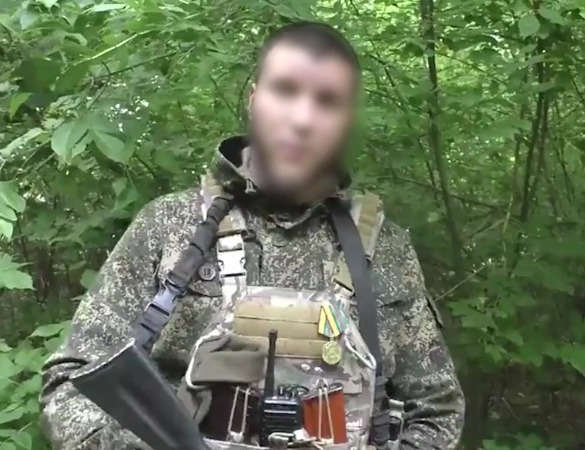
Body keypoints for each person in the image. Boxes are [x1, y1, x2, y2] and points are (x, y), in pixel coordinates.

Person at [40, 21, 464, 450]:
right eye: (285, 90)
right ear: (255, 100)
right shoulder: (168, 226)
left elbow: (436, 410)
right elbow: (74, 381)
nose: (302, 119)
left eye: (327, 102)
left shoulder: (385, 249)